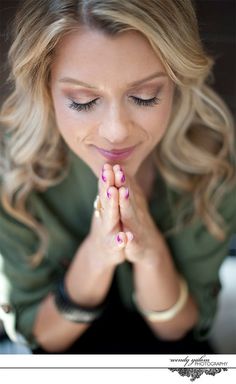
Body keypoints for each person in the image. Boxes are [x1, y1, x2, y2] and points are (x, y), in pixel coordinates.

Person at [0, 0, 235, 354]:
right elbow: (41, 335)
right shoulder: (12, 167)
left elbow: (182, 328)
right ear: (45, 88)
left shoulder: (211, 163)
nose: (115, 132)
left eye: (145, 96)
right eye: (82, 101)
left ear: (175, 82)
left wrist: (150, 250)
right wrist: (97, 254)